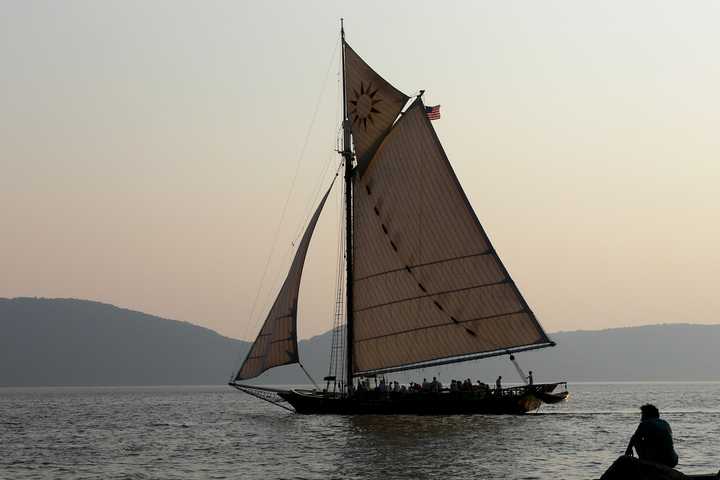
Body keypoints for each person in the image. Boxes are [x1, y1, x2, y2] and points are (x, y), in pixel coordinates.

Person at [624, 404, 678, 468]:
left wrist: (628, 449)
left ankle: (644, 460)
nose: (641, 417)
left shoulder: (645, 423)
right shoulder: (664, 423)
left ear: (646, 414)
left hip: (657, 460)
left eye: (642, 414)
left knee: (636, 440)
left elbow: (635, 438)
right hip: (672, 460)